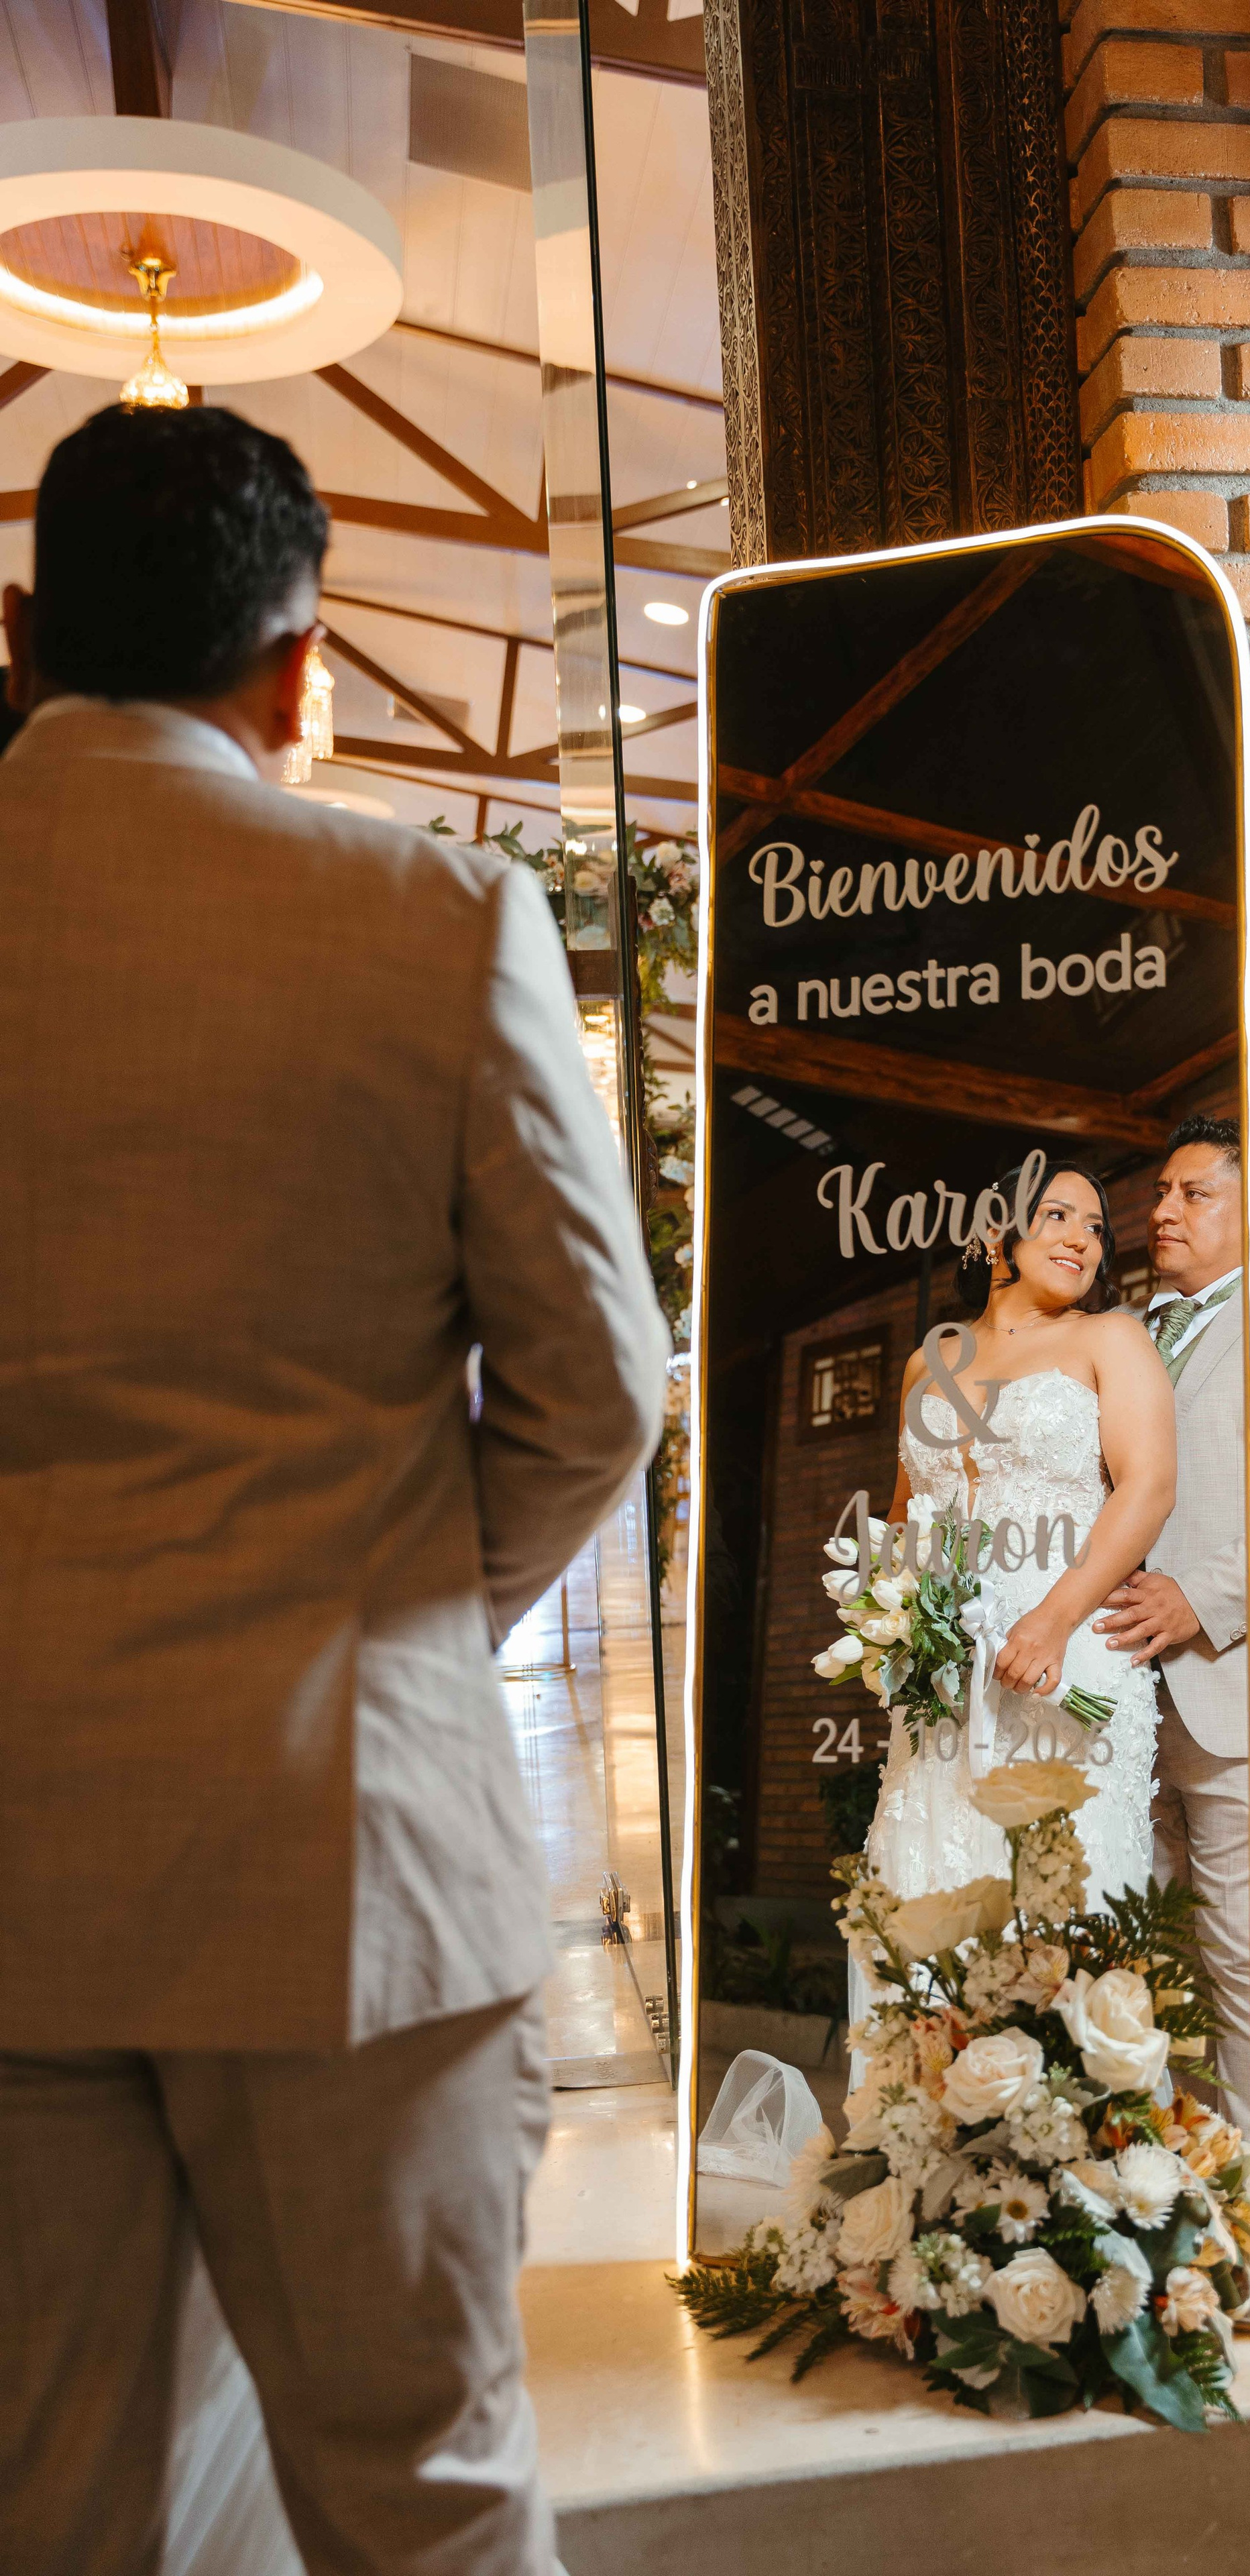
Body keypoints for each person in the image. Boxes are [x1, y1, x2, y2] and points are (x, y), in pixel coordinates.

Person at [0, 406, 667, 2575]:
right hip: (347, 1864)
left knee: (64, 2521)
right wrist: (407, 1611)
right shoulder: (430, 917)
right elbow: (601, 1389)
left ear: (20, 644)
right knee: (428, 2513)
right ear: (303, 674)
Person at [866, 1159, 1176, 1911]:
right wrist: (895, 1621)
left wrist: (1052, 1620)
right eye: (1058, 1216)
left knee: (1061, 1883)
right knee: (935, 1881)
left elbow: (1148, 1488)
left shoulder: (1109, 1339)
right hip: (946, 1678)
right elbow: (907, 1514)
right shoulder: (925, 1363)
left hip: (1066, 1654)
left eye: (1096, 1227)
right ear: (995, 1235)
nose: (1083, 1240)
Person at [1096, 1114, 1250, 2118]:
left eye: (1194, 1193)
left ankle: (1246, 2157)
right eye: (1160, 1193)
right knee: (1122, 1932)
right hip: (1111, 1679)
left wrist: (1205, 1599)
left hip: (1214, 1677)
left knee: (1231, 1940)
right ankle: (1142, 2156)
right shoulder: (1130, 1331)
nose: (1164, 1211)